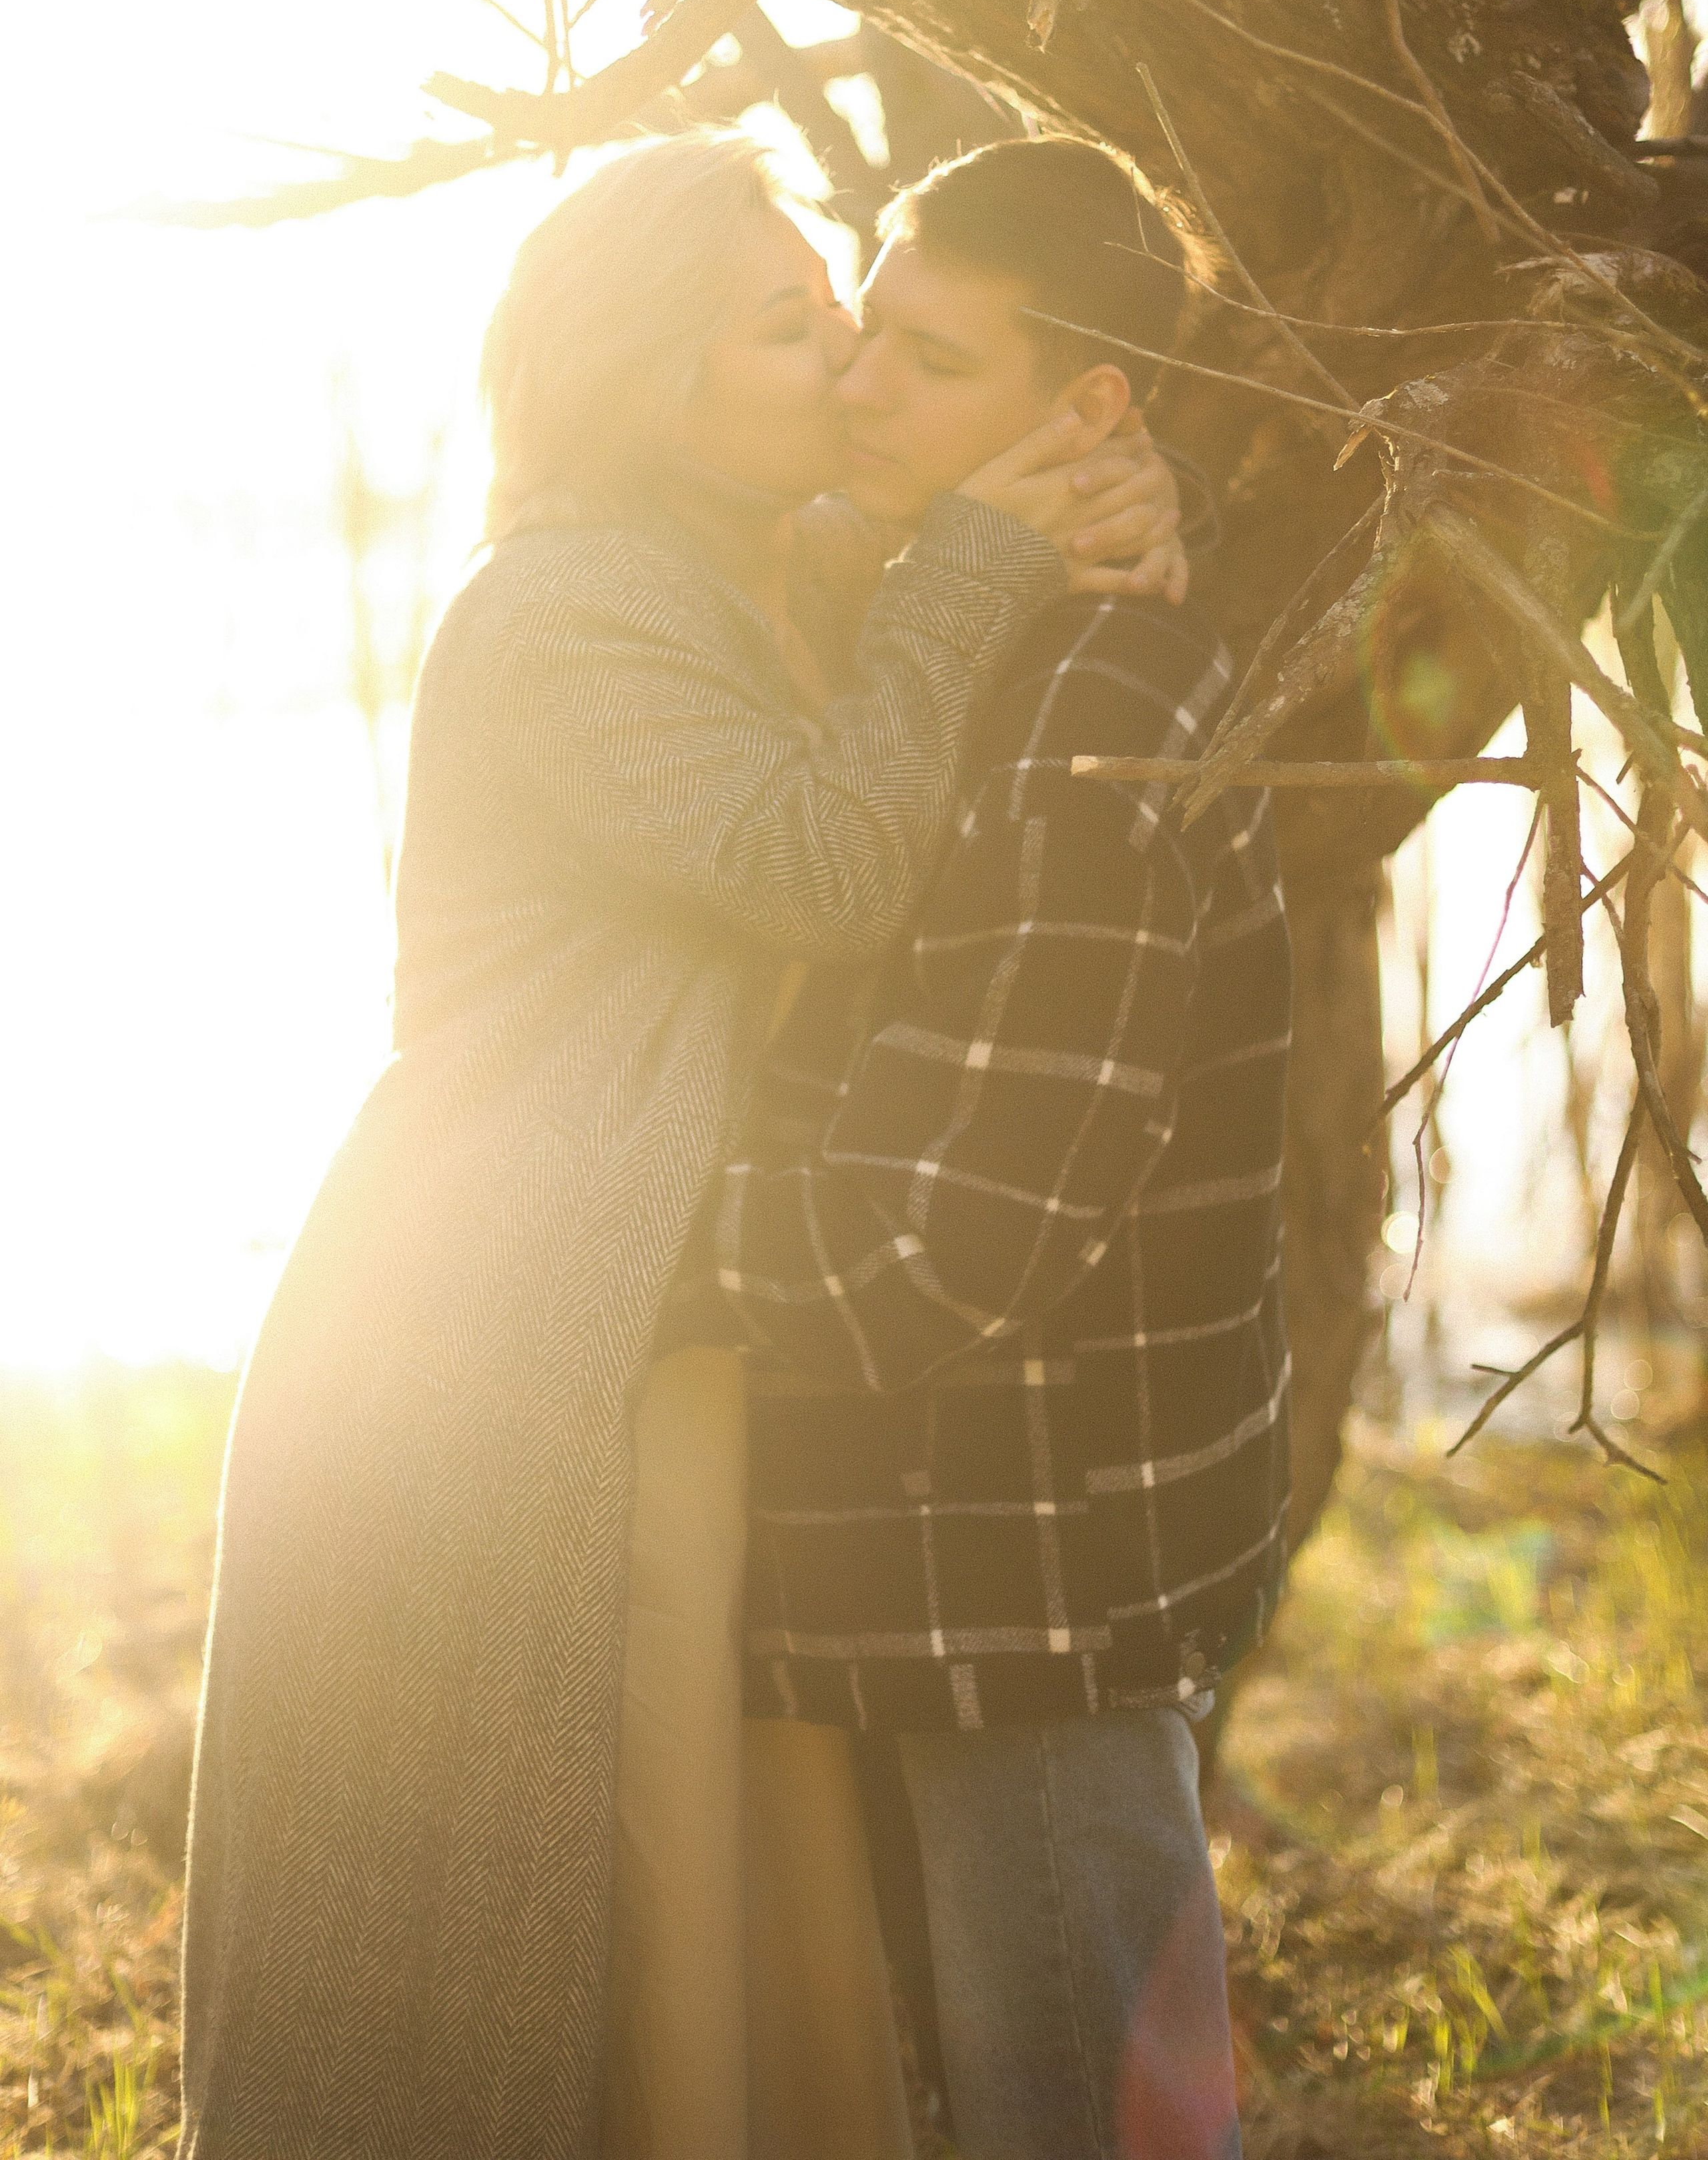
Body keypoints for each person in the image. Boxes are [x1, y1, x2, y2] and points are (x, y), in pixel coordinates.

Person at [175, 126, 1187, 2160]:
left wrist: (1105, 494)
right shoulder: (562, 613)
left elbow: (908, 638)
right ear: (652, 380)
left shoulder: (753, 564)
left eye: (843, 315)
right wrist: (993, 556)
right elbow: (821, 858)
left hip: (631, 1323)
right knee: (492, 1924)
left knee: (691, 1899)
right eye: (787, 326)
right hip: (478, 1348)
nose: (841, 363)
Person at [704, 137, 1294, 2160]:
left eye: (931, 363)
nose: (861, 388)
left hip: (1029, 1582)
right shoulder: (980, 630)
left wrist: (626, 1242)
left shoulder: (1089, 710)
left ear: (1088, 407)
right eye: (866, 333)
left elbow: (954, 1241)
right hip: (970, 1561)